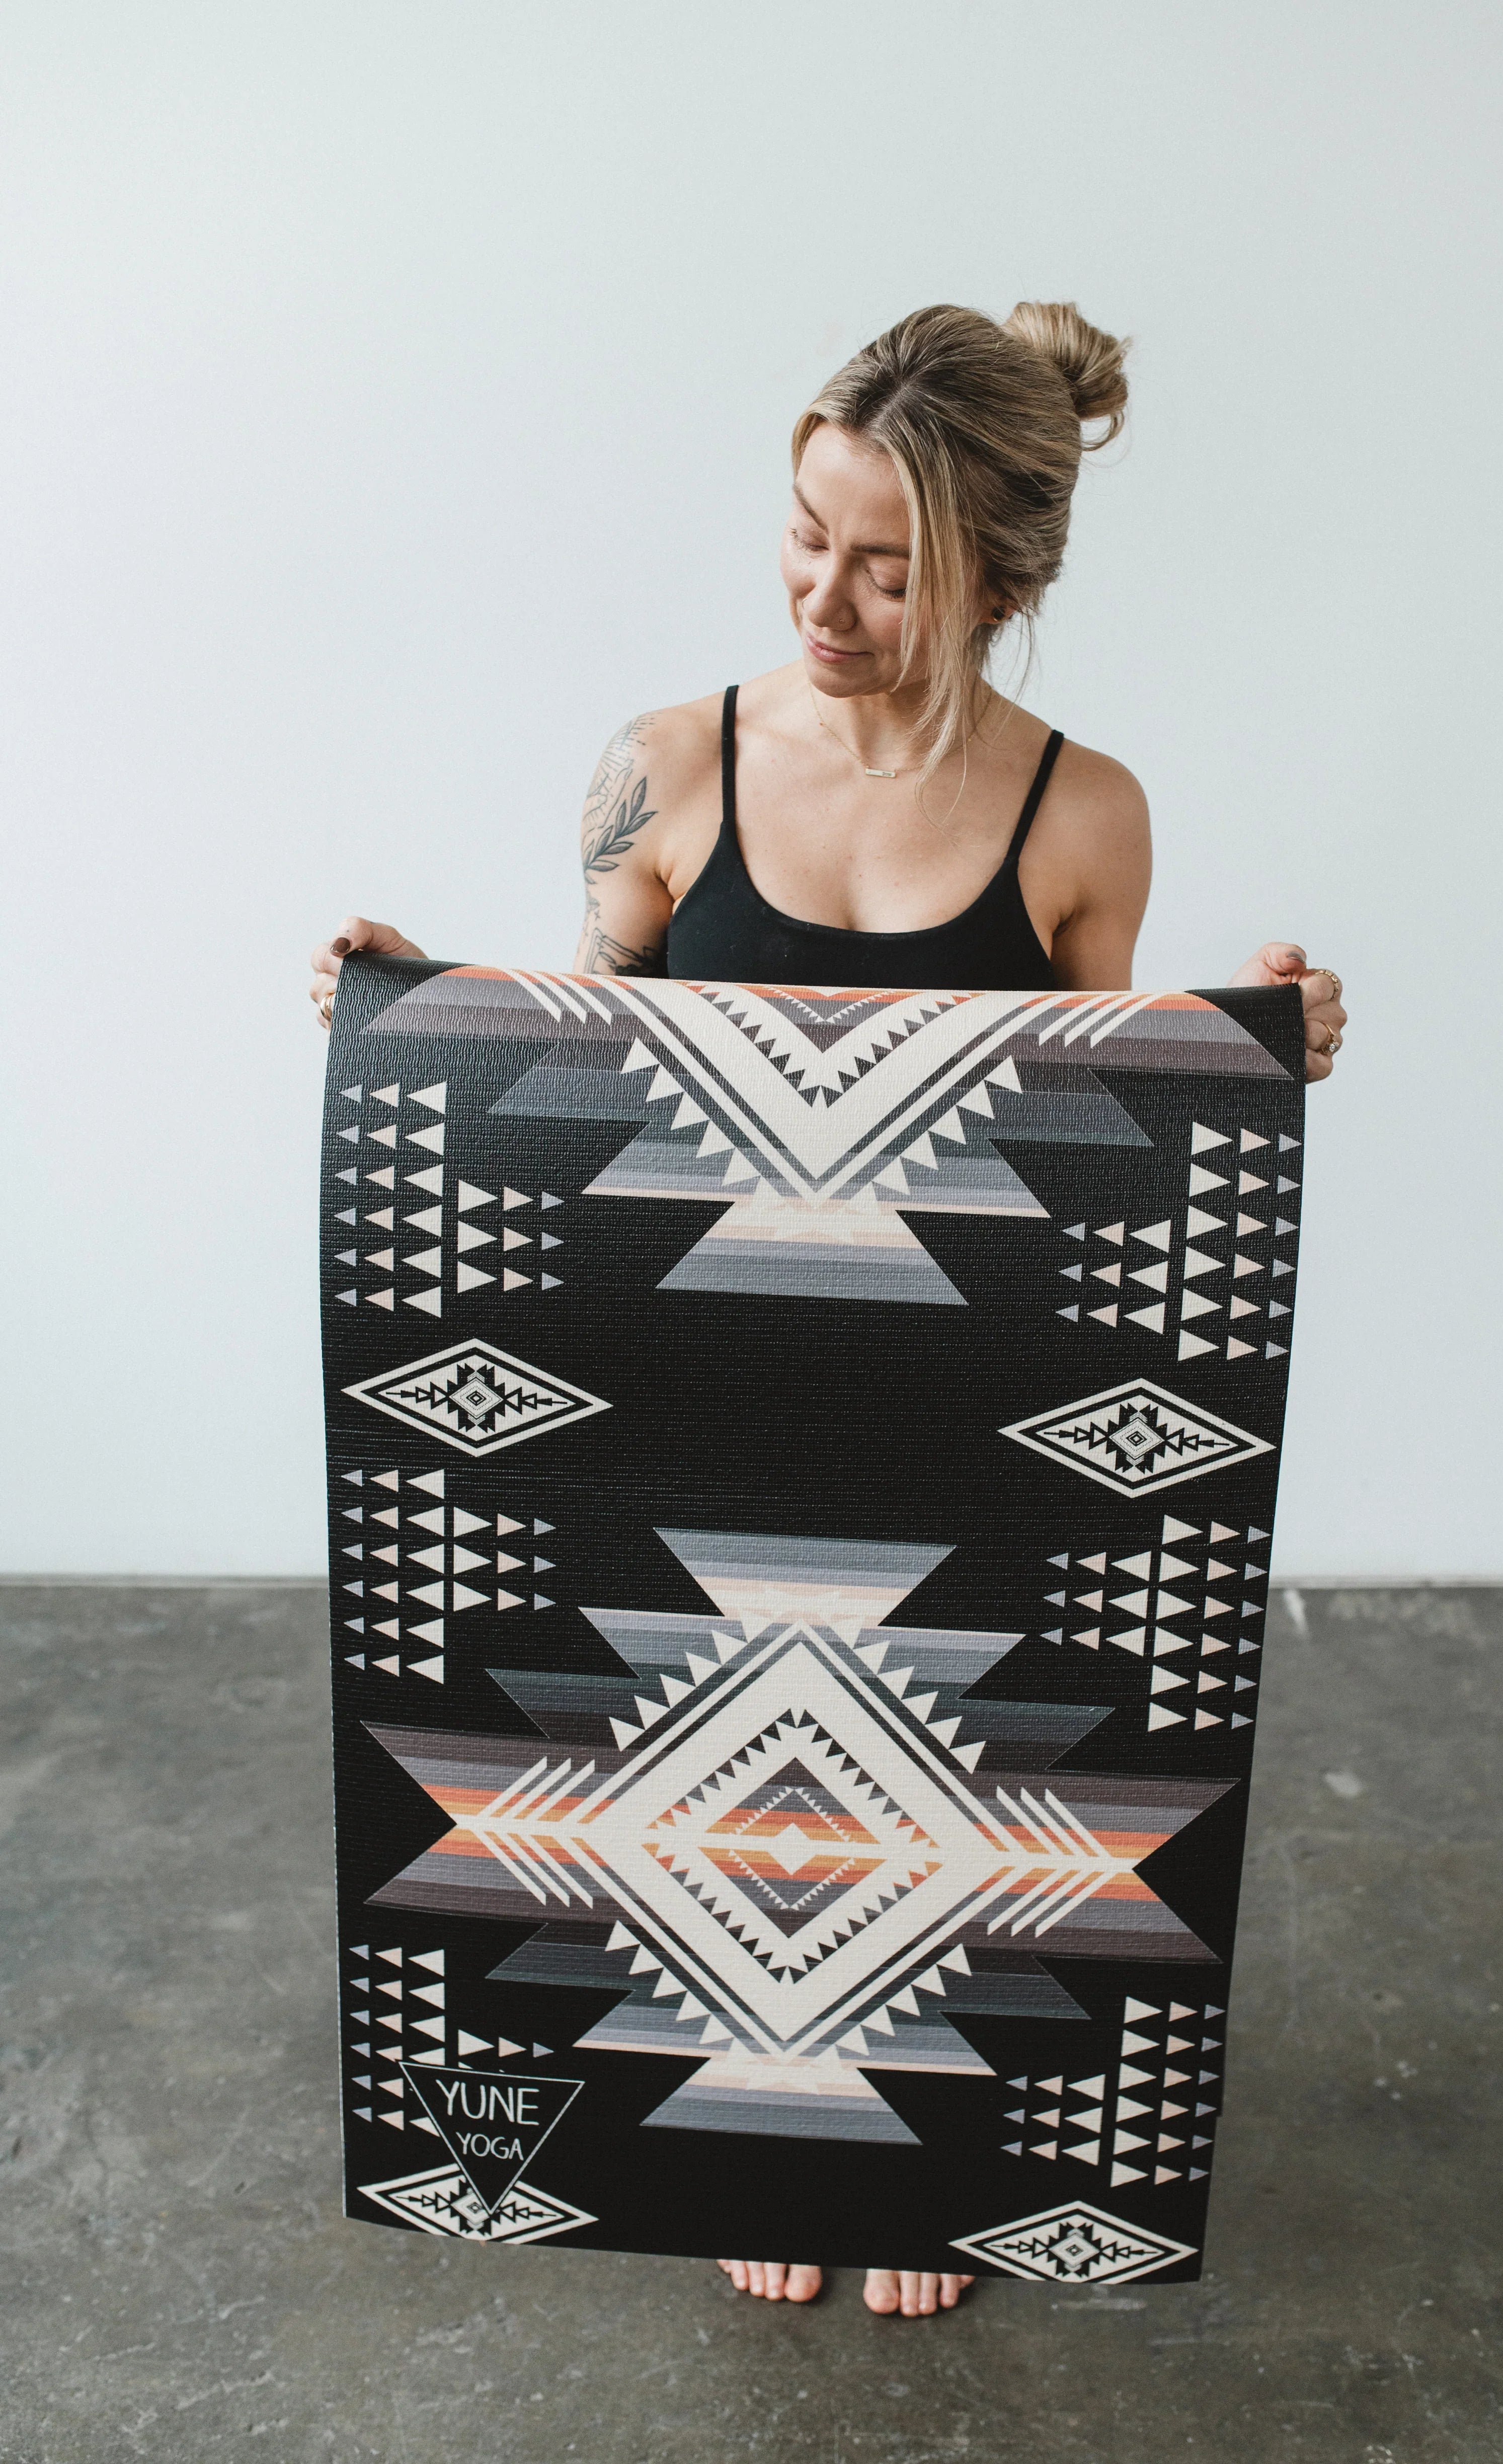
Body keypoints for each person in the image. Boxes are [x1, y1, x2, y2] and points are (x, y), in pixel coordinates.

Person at [310, 299, 1348, 2319]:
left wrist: (1252, 1047)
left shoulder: (1081, 815)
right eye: (805, 534)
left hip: (952, 1422)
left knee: (959, 1760)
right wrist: (410, 1012)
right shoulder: (663, 769)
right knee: (683, 1749)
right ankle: (747, 2133)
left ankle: (916, 2169)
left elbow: (1097, 1150)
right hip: (698, 1395)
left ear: (1000, 580)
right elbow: (574, 1073)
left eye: (890, 565)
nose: (826, 596)